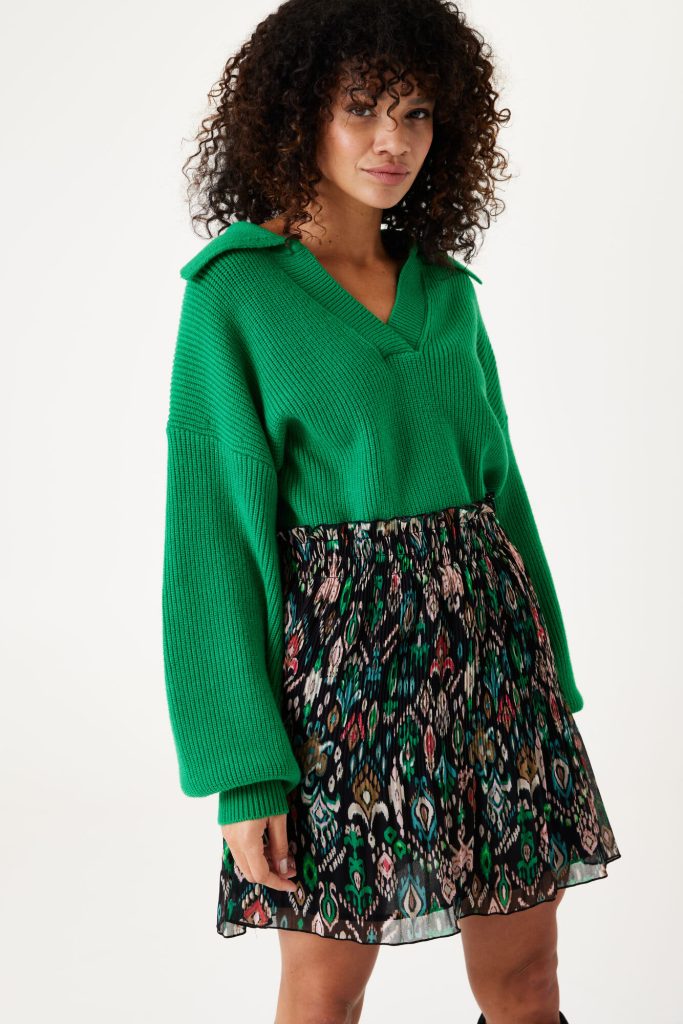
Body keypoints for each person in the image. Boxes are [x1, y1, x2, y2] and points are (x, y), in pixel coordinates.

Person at [162, 1, 621, 1021]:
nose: (392, 139)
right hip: (338, 692)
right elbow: (212, 545)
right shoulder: (233, 296)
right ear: (298, 116)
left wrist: (551, 680)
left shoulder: (447, 293)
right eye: (362, 107)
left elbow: (500, 496)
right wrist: (243, 773)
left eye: (415, 113)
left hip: (494, 672)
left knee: (527, 982)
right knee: (324, 989)